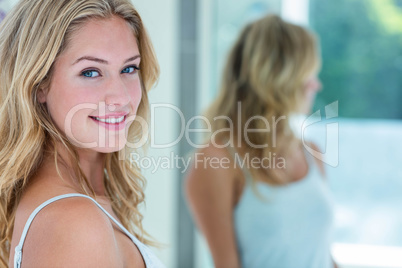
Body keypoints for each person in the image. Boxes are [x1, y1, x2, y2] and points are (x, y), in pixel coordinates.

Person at [0, 0, 165, 267]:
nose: (121, 97)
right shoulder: (76, 222)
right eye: (90, 72)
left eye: (129, 69)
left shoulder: (79, 202)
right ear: (39, 84)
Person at [185, 14, 338, 268]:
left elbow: (323, 255)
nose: (317, 85)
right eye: (309, 75)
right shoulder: (217, 159)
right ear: (282, 80)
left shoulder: (311, 151)